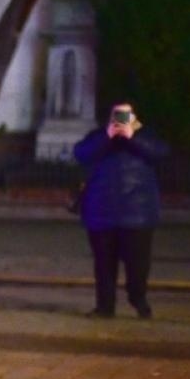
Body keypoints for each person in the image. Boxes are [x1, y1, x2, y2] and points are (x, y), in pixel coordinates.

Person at [74, 102, 165, 319]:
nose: (121, 119)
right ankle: (105, 307)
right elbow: (81, 153)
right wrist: (108, 135)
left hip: (138, 214)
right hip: (102, 212)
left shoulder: (145, 135)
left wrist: (133, 137)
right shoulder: (99, 136)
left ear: (134, 116)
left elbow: (161, 153)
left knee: (138, 265)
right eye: (118, 114)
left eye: (126, 114)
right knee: (104, 265)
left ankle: (138, 298)